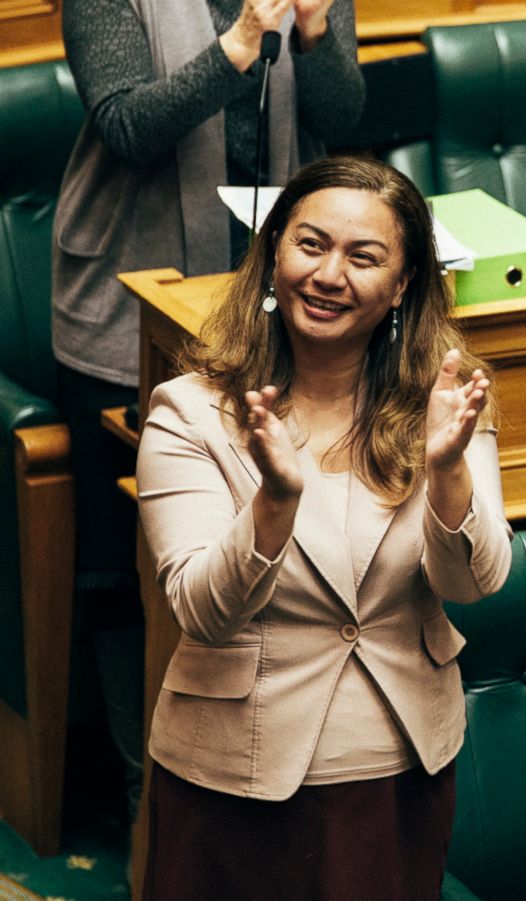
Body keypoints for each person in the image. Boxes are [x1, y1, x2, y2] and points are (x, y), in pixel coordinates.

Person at [134, 157, 512, 900]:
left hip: (397, 769)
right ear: (274, 254)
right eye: (311, 245)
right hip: (234, 777)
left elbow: (475, 582)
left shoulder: (447, 399)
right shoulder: (190, 412)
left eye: (363, 257)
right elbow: (201, 611)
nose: (329, 274)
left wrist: (449, 472)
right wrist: (273, 502)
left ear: (402, 285)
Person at [52, 0, 363, 816]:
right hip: (128, 311)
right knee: (125, 565)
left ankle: (259, 777)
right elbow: (126, 126)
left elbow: (341, 117)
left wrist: (320, 32)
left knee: (268, 543)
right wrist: (238, 45)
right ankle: (143, 790)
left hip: (278, 309)